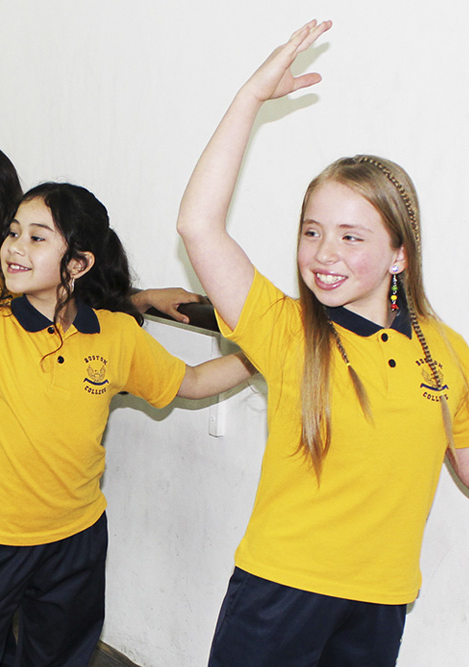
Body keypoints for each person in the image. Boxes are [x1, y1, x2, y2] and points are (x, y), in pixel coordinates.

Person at [0, 125, 254, 666]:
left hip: (77, 538)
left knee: (59, 658)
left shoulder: (115, 335)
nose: (14, 246)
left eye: (37, 237)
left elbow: (195, 382)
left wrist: (263, 355)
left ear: (79, 263)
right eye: (14, 232)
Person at [175, 21, 469, 666]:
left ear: (399, 253)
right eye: (312, 232)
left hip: (382, 599)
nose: (324, 254)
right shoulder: (286, 331)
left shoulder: (447, 352)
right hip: (279, 592)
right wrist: (249, 99)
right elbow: (198, 225)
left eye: (352, 236)